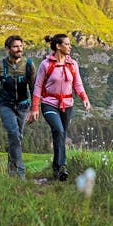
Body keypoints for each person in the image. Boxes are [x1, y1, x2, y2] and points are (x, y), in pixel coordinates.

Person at [27, 33, 90, 181]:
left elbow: (78, 84)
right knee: (59, 130)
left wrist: (84, 99)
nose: (70, 47)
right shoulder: (46, 65)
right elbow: (38, 86)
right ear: (58, 46)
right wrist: (35, 108)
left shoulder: (73, 64)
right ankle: (62, 167)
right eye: (67, 44)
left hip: (67, 105)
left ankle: (56, 170)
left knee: (60, 135)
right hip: (49, 103)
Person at [0, 35, 36, 180]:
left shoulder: (28, 65)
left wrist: (35, 108)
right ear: (8, 49)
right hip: (6, 105)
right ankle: (20, 173)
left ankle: (11, 171)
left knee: (16, 137)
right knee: (14, 133)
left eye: (21, 46)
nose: (19, 49)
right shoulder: (0, 66)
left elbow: (35, 88)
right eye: (16, 47)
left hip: (23, 106)